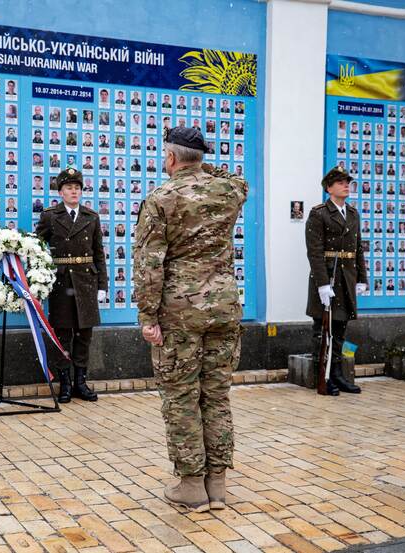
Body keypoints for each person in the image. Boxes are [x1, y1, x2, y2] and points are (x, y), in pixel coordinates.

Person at [133, 126, 248, 513]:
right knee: (216, 395)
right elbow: (234, 178)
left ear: (169, 158)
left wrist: (148, 316)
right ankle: (218, 485)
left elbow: (149, 265)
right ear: (200, 156)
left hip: (179, 311)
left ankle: (191, 485)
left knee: (181, 396)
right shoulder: (230, 191)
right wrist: (198, 163)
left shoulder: (161, 198)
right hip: (224, 308)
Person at [35, 168, 107, 403]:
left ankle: (81, 382)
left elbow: (98, 254)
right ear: (61, 192)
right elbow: (36, 249)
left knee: (84, 335)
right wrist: (39, 277)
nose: (74, 191)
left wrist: (102, 286)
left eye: (77, 188)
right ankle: (64, 383)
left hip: (86, 281)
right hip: (61, 282)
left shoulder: (91, 217)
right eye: (69, 188)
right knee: (63, 334)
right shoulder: (50, 216)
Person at [305, 166, 366, 396]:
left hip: (346, 278)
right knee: (323, 330)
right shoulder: (318, 213)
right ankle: (323, 375)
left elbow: (358, 248)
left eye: (347, 182)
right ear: (329, 188)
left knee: (340, 329)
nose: (345, 185)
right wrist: (322, 284)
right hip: (328, 277)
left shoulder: (352, 214)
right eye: (340, 182)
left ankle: (338, 375)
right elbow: (315, 251)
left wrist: (362, 277)